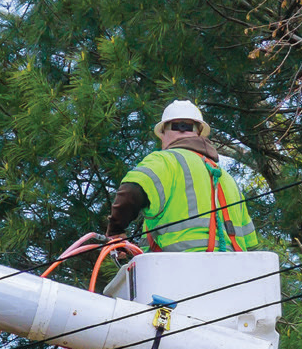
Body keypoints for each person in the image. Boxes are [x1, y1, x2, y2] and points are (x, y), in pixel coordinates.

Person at [104, 100, 260, 252]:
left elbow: (131, 191)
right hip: (233, 272)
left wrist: (115, 230)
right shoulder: (227, 179)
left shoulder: (165, 160)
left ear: (163, 133)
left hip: (179, 271)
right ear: (199, 132)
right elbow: (251, 245)